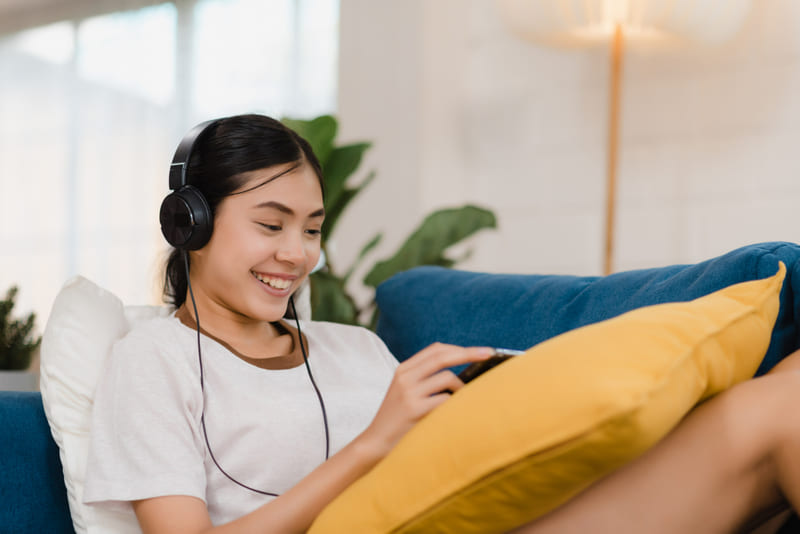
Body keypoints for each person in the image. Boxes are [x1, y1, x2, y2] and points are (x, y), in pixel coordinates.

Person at [85, 114, 800, 534]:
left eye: (311, 228)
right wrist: (371, 446)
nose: (297, 254)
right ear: (191, 224)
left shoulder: (355, 348)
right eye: (270, 225)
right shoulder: (151, 361)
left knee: (787, 392)